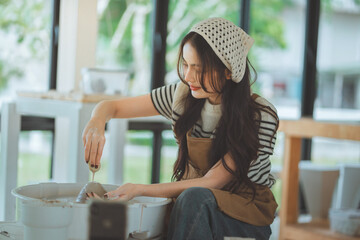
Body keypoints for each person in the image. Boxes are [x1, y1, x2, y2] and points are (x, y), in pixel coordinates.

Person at [83, 17, 279, 240]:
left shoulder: (259, 115)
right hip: (194, 203)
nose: (188, 76)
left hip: (244, 216)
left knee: (192, 199)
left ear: (228, 70)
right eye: (186, 64)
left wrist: (139, 189)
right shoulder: (182, 95)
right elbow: (112, 107)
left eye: (200, 68)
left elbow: (213, 182)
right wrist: (96, 122)